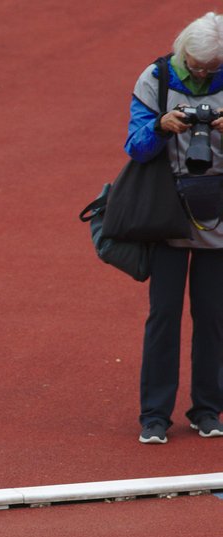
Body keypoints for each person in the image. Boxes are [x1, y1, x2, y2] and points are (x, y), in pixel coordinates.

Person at [126, 12, 223, 444]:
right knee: (163, 315)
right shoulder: (155, 79)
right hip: (167, 209)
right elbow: (135, 148)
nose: (202, 74)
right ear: (183, 51)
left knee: (214, 316)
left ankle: (207, 409)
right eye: (196, 66)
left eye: (212, 68)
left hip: (218, 211)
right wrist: (159, 126)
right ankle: (154, 416)